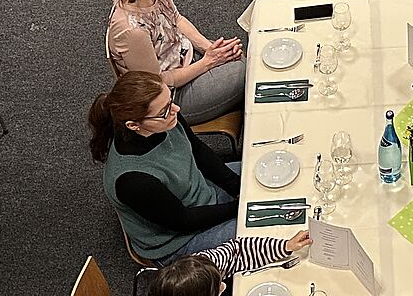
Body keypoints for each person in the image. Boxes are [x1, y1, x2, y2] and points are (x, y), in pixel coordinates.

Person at [90, 71, 242, 261]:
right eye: (164, 110)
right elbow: (183, 220)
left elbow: (198, 150)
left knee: (260, 173)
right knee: (265, 230)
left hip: (201, 193)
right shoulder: (132, 180)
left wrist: (236, 186)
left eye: (170, 100)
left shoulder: (167, 116)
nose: (176, 109)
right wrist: (239, 207)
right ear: (133, 125)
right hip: (181, 239)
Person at [107, 0, 246, 124]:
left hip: (183, 57)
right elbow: (157, 82)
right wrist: (208, 62)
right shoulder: (132, 30)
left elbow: (176, 19)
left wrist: (209, 48)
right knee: (247, 72)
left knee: (239, 57)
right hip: (169, 96)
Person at [144, 233, 312, 296]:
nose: (224, 286)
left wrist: (285, 246)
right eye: (218, 289)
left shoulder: (204, 262)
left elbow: (238, 250)